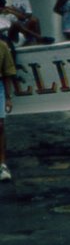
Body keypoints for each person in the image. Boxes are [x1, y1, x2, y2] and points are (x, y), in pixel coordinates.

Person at [0, 39, 14, 181]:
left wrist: (8, 97)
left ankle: (2, 164)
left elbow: (7, 73)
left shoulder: (2, 46)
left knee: (0, 126)